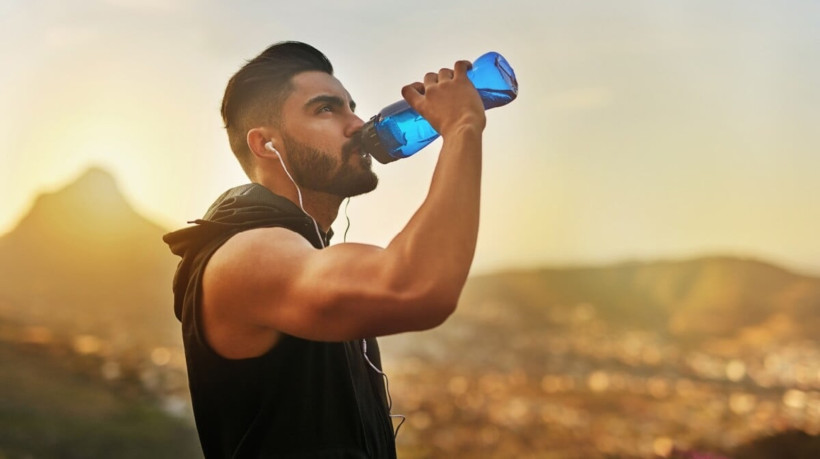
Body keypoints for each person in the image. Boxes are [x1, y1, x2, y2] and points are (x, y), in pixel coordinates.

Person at [163, 41, 486, 458]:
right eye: (326, 110)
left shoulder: (304, 247)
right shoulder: (248, 250)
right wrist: (462, 128)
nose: (356, 124)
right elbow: (416, 286)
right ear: (266, 144)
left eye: (351, 107)